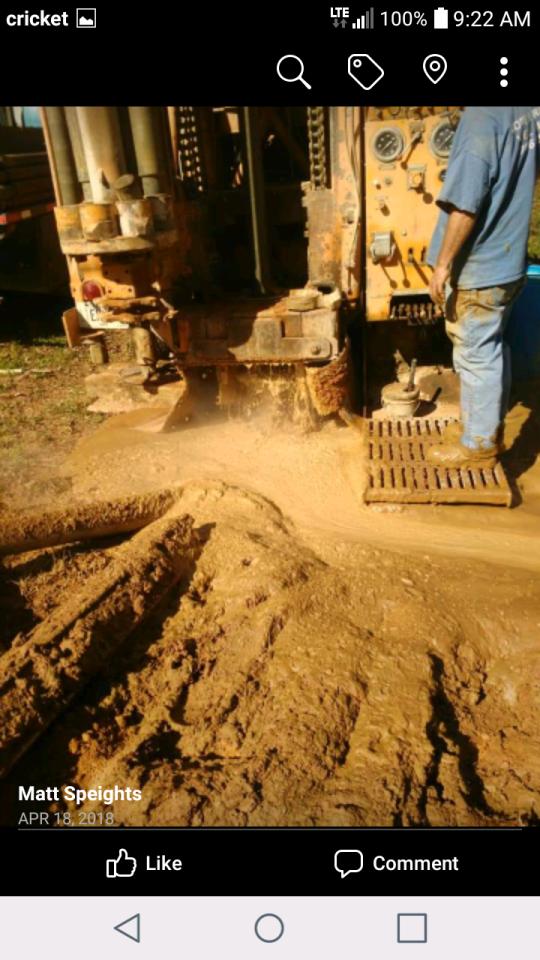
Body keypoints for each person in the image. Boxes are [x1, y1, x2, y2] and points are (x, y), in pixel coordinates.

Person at [426, 106, 540, 467]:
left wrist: (442, 265)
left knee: (476, 353)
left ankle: (478, 446)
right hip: (509, 258)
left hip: (481, 264)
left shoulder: (480, 120)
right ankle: (485, 424)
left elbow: (465, 205)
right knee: (493, 345)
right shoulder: (525, 111)